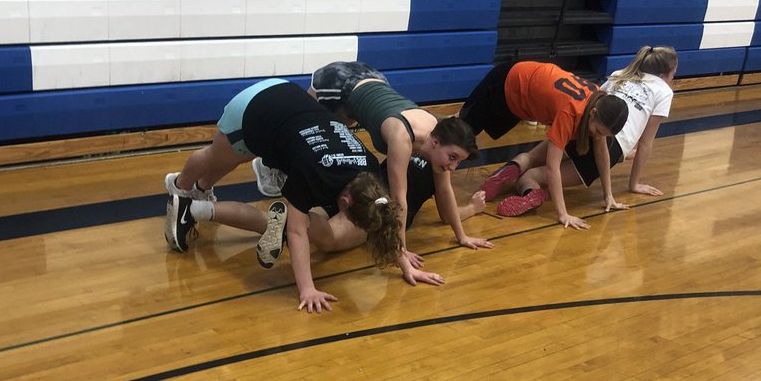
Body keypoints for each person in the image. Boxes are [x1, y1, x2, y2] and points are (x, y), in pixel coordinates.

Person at [164, 78, 440, 312]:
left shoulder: (368, 168)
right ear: (344, 202)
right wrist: (307, 289)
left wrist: (404, 262)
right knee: (219, 156)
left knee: (231, 158)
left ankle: (200, 194)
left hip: (288, 99)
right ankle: (179, 187)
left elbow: (386, 219)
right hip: (255, 107)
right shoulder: (314, 174)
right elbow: (296, 232)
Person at [308, 61, 494, 260]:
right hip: (337, 82)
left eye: (458, 161)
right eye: (453, 158)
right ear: (435, 142)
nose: (452, 166)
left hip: (370, 78)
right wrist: (401, 253)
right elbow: (399, 201)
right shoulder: (402, 137)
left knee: (318, 213)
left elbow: (445, 190)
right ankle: (287, 200)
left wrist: (462, 236)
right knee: (305, 134)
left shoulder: (436, 133)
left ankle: (288, 218)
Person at [464, 60, 628, 227]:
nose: (597, 136)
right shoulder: (570, 112)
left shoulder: (598, 99)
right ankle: (440, 180)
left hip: (524, 82)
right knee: (460, 133)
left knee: (465, 131)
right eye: (598, 131)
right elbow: (552, 167)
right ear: (593, 113)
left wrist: (609, 196)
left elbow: (602, 150)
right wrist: (563, 214)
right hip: (508, 82)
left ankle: (515, 169)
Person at [601, 45, 678, 197]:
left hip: (585, 129)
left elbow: (594, 100)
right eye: (673, 74)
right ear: (662, 76)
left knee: (547, 165)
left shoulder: (620, 74)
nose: (673, 78)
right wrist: (634, 184)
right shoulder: (663, 91)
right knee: (542, 177)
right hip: (610, 146)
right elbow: (645, 143)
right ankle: (538, 198)